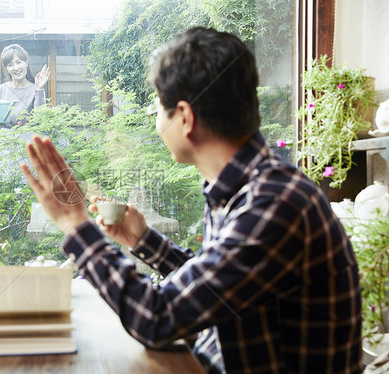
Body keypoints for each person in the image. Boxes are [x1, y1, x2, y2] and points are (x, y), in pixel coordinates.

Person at [20, 27, 362, 373]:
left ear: (184, 118)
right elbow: (213, 289)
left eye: (158, 109)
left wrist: (74, 224)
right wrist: (143, 240)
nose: (156, 121)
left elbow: (158, 317)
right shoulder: (245, 188)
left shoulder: (273, 203)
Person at [0, 44, 50, 127]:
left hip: (29, 138)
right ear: (7, 69)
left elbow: (40, 120)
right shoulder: (2, 89)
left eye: (18, 62)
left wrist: (39, 89)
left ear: (26, 63)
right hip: (6, 138)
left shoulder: (36, 89)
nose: (16, 68)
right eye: (10, 65)